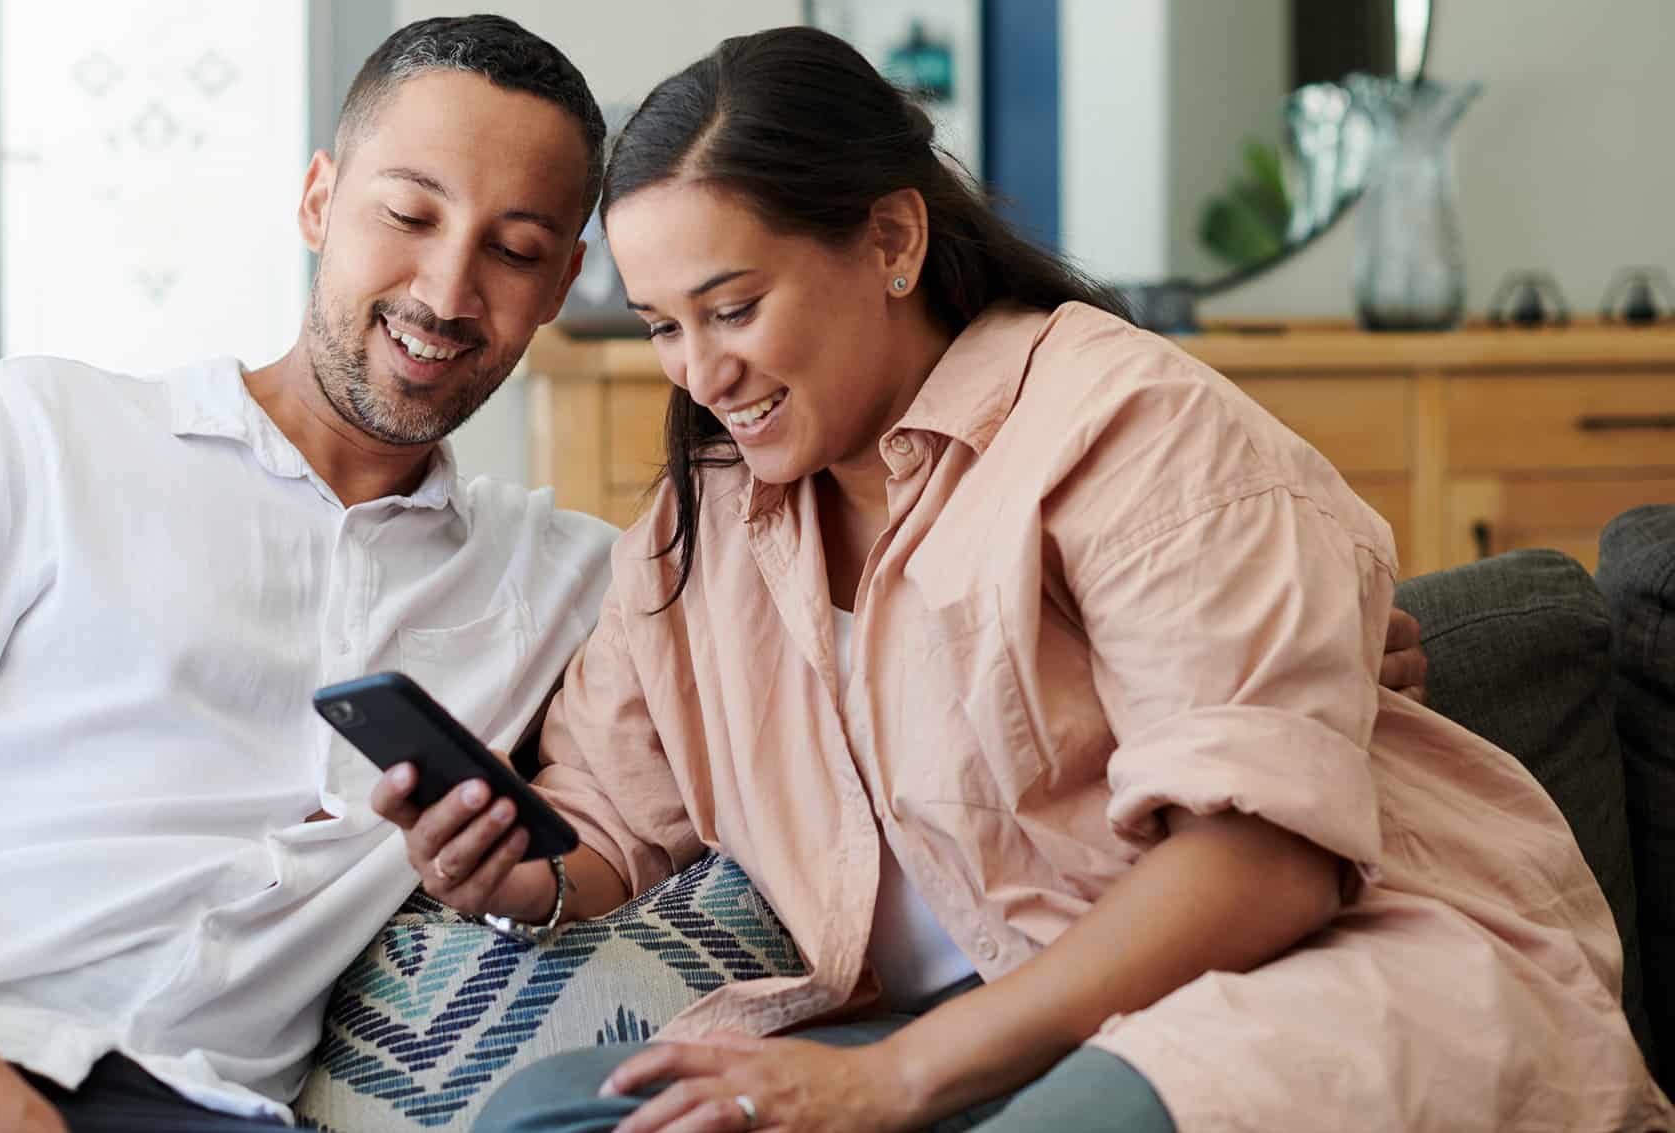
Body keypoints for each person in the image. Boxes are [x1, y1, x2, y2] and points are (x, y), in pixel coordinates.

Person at [375, 26, 1671, 1133]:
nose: (697, 371)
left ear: (889, 239)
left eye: (732, 306)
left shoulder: (1126, 422)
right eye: (661, 324)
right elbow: (612, 826)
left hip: (1291, 986)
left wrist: (893, 1082)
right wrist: (517, 869)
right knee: (547, 1109)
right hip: (974, 1025)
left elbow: (1263, 868)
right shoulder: (696, 527)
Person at [0, 16, 618, 1132]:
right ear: (318, 199)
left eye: (512, 250)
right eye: (407, 214)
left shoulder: (567, 577)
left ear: (561, 282)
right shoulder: (38, 428)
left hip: (187, 1100)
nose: (448, 290)